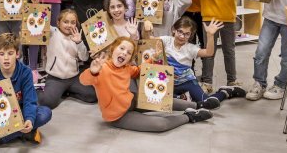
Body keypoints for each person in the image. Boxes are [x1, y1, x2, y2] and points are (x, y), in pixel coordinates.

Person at [79, 37, 213, 132]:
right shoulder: (102, 69)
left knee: (162, 99)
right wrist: (92, 71)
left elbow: (137, 70)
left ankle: (198, 105)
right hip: (118, 116)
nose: (124, 53)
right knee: (160, 124)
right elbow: (84, 80)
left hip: (132, 101)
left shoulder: (126, 68)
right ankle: (189, 116)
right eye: (122, 48)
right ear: (113, 49)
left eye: (129, 52)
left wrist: (152, 59)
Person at [0, 33, 52, 149]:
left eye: (10, 53)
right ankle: (25, 133)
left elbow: (30, 100)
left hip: (20, 113)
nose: (6, 58)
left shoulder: (25, 72)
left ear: (17, 54)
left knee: (45, 113)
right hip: (0, 116)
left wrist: (29, 120)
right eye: (2, 54)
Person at [143, 17, 246, 109]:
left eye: (187, 34)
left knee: (207, 103)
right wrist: (147, 29)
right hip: (168, 82)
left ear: (190, 35)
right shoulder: (166, 40)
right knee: (156, 99)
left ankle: (225, 92)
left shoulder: (190, 48)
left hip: (187, 82)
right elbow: (148, 41)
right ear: (174, 30)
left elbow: (208, 53)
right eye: (180, 32)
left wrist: (210, 35)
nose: (182, 36)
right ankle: (183, 97)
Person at [199, 0, 242, 93]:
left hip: (228, 17)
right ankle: (207, 82)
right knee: (209, 51)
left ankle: (232, 80)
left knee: (229, 51)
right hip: (209, 17)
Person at [39, 9, 97, 109]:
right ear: (58, 23)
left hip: (73, 78)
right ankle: (39, 90)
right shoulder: (53, 32)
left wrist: (79, 42)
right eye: (65, 22)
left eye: (72, 22)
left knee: (92, 96)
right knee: (47, 102)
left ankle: (67, 92)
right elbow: (41, 20)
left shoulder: (77, 37)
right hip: (55, 78)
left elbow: (84, 57)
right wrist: (36, 4)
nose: (69, 25)